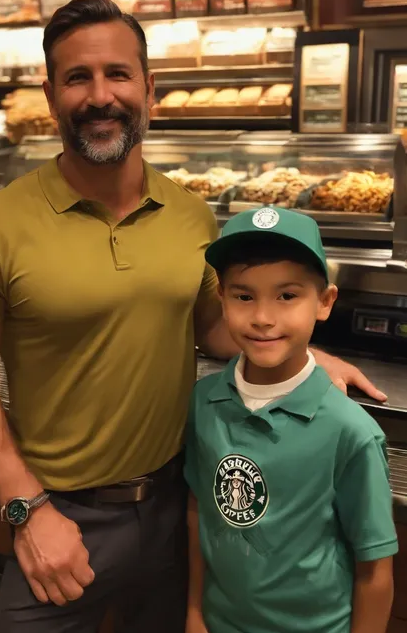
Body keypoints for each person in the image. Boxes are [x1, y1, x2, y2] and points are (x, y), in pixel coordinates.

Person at [0, 0, 385, 633]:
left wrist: (303, 355)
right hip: (61, 514)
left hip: (181, 503)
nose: (100, 95)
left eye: (118, 74)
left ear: (149, 87)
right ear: (50, 92)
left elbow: (208, 324)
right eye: (76, 78)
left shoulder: (191, 214)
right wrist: (27, 512)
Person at [185, 207, 398, 633]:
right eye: (244, 296)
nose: (263, 317)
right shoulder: (203, 400)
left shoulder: (350, 433)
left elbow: (375, 572)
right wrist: (194, 612)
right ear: (221, 299)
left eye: (286, 296)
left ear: (324, 302)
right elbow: (199, 513)